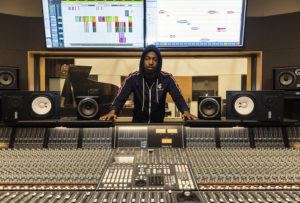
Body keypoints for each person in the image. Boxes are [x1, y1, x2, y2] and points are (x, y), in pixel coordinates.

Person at [99, 45, 197, 123]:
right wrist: (113, 111)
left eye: (154, 59)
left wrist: (185, 111)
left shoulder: (167, 78)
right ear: (142, 61)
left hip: (158, 126)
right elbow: (120, 98)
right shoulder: (133, 78)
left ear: (159, 62)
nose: (151, 62)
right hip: (137, 126)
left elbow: (178, 97)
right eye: (147, 58)